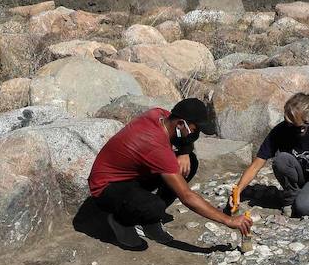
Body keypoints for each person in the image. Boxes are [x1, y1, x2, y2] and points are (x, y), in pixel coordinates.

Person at [87, 98, 253, 250]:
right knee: (153, 207)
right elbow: (186, 196)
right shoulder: (155, 145)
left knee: (189, 163)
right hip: (105, 188)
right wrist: (228, 220)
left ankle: (149, 219)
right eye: (195, 129)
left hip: (131, 175)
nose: (197, 134)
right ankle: (121, 220)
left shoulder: (160, 115)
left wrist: (185, 152)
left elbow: (183, 140)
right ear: (181, 124)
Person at [231, 93, 309, 219]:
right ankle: (291, 198)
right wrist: (238, 190)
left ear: (307, 122)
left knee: (303, 208)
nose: (290, 127)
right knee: (281, 160)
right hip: (299, 176)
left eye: (296, 126)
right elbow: (256, 165)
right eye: (288, 123)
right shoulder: (281, 130)